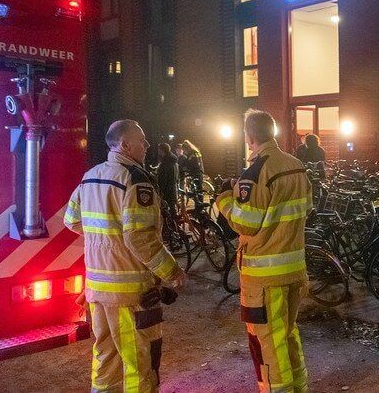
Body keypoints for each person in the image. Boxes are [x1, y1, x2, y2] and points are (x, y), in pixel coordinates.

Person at [64, 120, 186, 393]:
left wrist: (106, 238)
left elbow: (71, 220)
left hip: (97, 289)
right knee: (139, 363)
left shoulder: (91, 176)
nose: (147, 145)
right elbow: (140, 237)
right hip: (130, 293)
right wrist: (172, 272)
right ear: (124, 145)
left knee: (105, 356)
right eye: (141, 140)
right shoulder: (134, 179)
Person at [216, 109, 311, 392]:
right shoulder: (296, 165)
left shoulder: (256, 172)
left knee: (267, 343)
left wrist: (224, 199)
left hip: (264, 279)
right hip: (294, 269)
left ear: (249, 137)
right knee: (287, 334)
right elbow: (305, 209)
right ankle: (299, 387)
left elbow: (246, 223)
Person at [156, 143, 179, 215]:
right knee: (172, 209)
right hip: (173, 189)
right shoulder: (174, 162)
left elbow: (163, 179)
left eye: (159, 149)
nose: (158, 151)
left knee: (166, 212)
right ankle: (175, 224)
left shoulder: (165, 163)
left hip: (167, 191)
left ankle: (172, 225)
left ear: (162, 150)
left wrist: (160, 192)